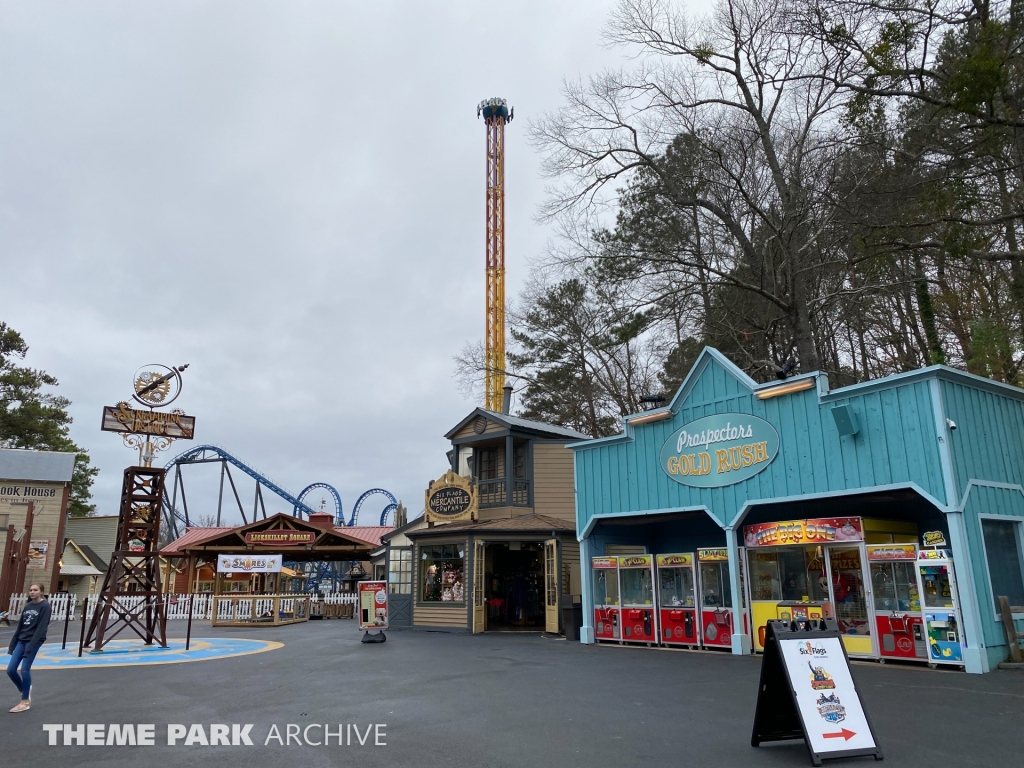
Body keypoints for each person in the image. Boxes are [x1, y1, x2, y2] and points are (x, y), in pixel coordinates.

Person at [6, 583, 51, 713]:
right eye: (31, 590)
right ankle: (24, 689)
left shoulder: (45, 606)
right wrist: (12, 645)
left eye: (35, 590)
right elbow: (20, 626)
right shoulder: (28, 606)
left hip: (33, 641)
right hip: (21, 640)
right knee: (10, 670)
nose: (32, 592)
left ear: (41, 592)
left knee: (25, 670)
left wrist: (30, 647)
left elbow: (41, 628)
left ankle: (25, 701)